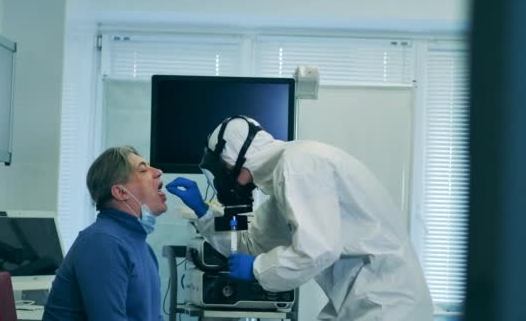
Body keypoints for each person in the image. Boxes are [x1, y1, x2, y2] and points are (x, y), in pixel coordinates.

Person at [166, 116, 433, 320]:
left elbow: (318, 249)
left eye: (223, 170)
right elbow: (252, 243)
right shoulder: (283, 181)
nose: (225, 180)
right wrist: (204, 214)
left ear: (238, 160)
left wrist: (257, 268)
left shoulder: (299, 165)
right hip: (358, 301)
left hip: (386, 303)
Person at [43, 146, 167, 321]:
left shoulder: (144, 248)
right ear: (120, 192)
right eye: (143, 169)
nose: (158, 172)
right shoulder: (102, 242)